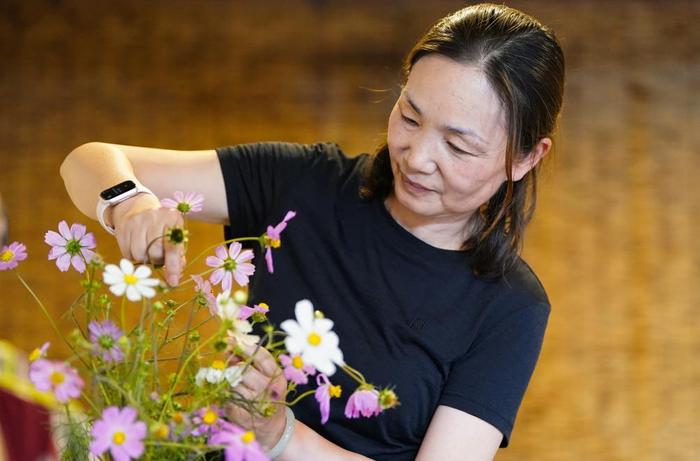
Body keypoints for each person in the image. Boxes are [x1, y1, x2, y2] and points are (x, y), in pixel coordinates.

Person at [59, 3, 565, 460]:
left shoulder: (509, 306)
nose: (417, 156)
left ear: (526, 156)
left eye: (458, 147)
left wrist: (279, 434)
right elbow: (89, 161)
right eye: (409, 117)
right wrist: (128, 204)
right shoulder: (302, 185)